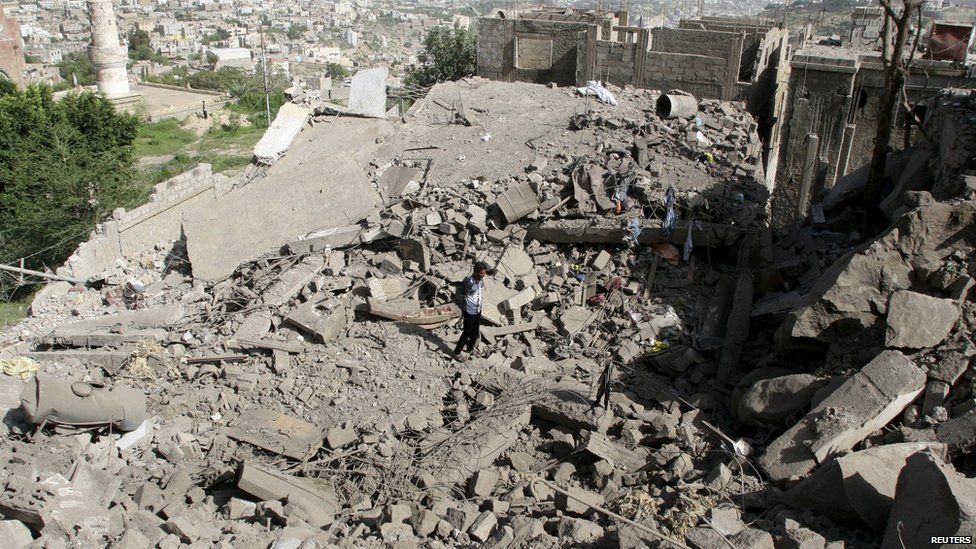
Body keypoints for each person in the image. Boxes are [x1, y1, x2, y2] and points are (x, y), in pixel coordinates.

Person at [453, 261, 489, 361]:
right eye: (482, 273)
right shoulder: (468, 282)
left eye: (484, 272)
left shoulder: (480, 281)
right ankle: (456, 353)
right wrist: (463, 310)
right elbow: (461, 296)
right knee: (467, 332)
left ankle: (470, 348)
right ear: (476, 272)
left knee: (475, 330)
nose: (484, 275)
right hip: (469, 310)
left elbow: (479, 293)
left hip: (478, 309)